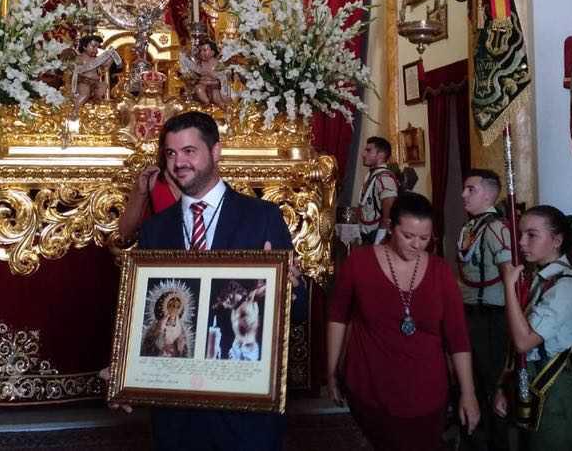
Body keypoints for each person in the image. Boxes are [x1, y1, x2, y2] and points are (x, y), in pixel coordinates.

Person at [133, 111, 303, 451]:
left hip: (242, 408)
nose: (179, 162)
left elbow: (293, 315)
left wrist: (287, 292)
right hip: (177, 413)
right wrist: (127, 366)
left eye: (189, 151)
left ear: (216, 152)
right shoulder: (155, 229)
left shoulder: (263, 217)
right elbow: (146, 316)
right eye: (170, 153)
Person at [327, 191, 481, 450]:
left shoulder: (440, 271)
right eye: (407, 236)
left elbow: (457, 336)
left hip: (426, 390)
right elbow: (337, 318)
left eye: (424, 238)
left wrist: (468, 392)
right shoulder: (360, 263)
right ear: (390, 227)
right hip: (370, 385)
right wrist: (331, 373)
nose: (416, 245)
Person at [493, 205, 572, 450]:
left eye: (532, 235)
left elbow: (523, 341)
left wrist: (508, 288)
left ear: (556, 240)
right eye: (521, 234)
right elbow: (515, 347)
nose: (522, 242)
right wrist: (503, 385)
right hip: (527, 379)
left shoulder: (565, 288)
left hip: (552, 390)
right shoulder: (539, 277)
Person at [455, 168, 513, 451]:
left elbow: (508, 275)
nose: (464, 195)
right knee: (470, 382)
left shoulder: (495, 228)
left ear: (489, 194)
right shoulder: (469, 228)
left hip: (491, 317)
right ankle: (474, 440)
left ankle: (496, 443)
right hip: (469, 314)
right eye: (464, 189)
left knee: (491, 384)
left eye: (471, 190)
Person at [355, 137, 399, 245]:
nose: (363, 154)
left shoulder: (385, 177)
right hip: (366, 234)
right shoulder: (371, 175)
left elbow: (388, 213)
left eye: (368, 150)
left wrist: (380, 239)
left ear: (381, 155)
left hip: (376, 235)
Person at [72, 35, 123, 110]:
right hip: (84, 82)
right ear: (84, 47)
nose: (96, 50)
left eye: (97, 47)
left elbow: (105, 66)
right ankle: (75, 112)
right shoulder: (80, 58)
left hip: (96, 82)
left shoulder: (96, 59)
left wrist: (111, 57)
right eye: (93, 46)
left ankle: (94, 104)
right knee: (85, 94)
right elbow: (75, 68)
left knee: (104, 86)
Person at [179, 39, 230, 107]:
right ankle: (207, 103)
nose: (201, 53)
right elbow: (195, 68)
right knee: (198, 89)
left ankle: (222, 107)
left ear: (212, 52)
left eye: (205, 50)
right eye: (200, 51)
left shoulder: (218, 64)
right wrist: (183, 58)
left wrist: (214, 80)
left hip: (216, 87)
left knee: (216, 96)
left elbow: (224, 77)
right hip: (204, 85)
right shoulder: (201, 64)